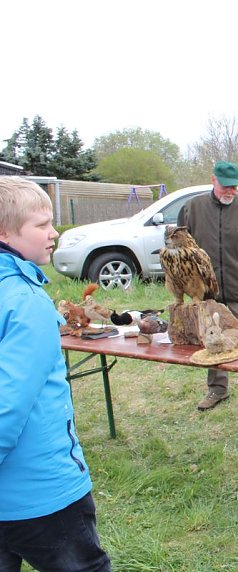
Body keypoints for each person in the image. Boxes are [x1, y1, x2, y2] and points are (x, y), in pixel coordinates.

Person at [0, 177, 112, 571]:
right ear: (4, 232)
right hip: (39, 493)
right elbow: (8, 404)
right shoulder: (25, 302)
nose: (54, 233)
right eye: (42, 224)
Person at [178, 161, 238, 410]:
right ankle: (217, 389)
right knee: (212, 339)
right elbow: (181, 247)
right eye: (226, 186)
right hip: (207, 292)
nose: (231, 191)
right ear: (213, 180)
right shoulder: (192, 208)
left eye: (235, 186)